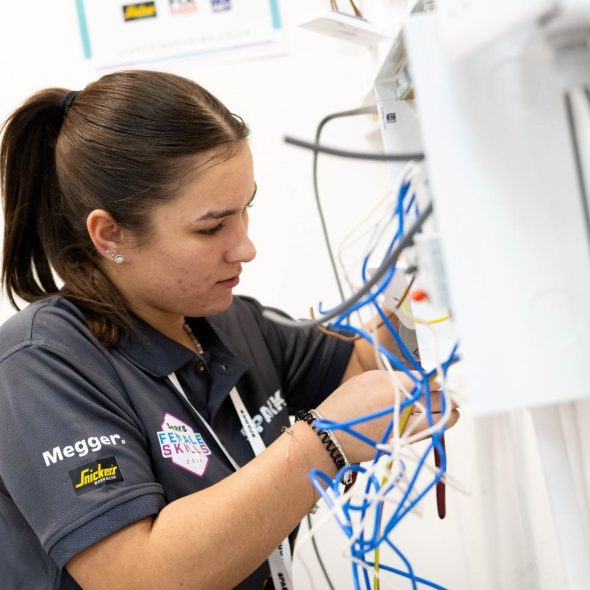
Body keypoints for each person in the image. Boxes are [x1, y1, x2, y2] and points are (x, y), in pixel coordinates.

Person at [0, 70, 458, 590]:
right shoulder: (39, 365)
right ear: (111, 235)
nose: (245, 248)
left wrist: (428, 280)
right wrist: (320, 443)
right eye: (212, 227)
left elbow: (359, 364)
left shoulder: (222, 319)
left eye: (246, 211)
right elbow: (137, 577)